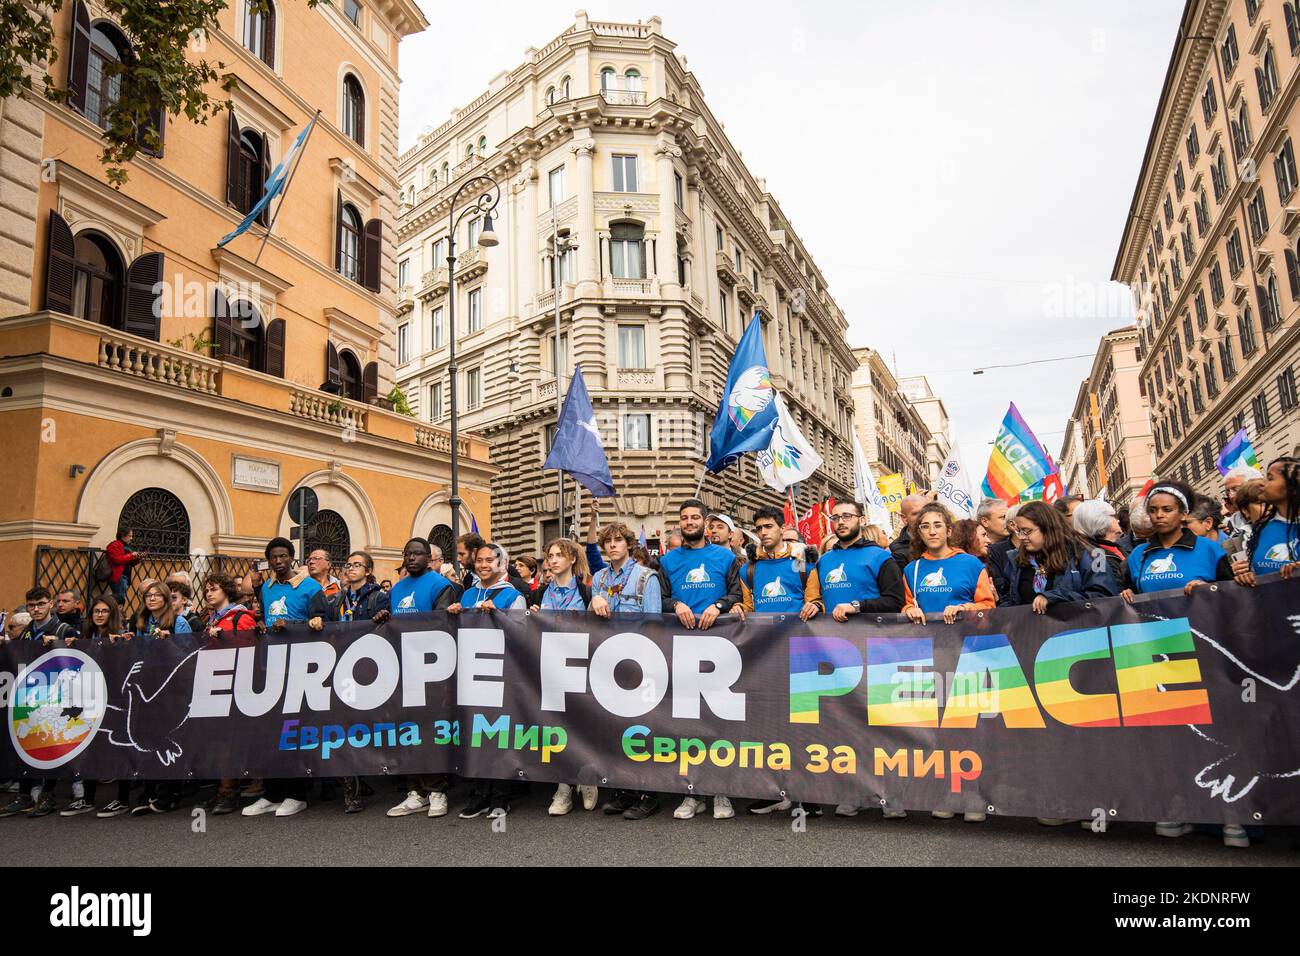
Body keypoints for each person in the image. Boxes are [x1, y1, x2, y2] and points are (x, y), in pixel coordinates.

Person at [901, 504, 996, 824]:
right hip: (930, 655)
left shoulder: (970, 564)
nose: (931, 530)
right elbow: (907, 606)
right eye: (925, 525)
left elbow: (989, 607)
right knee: (939, 728)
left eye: (937, 524)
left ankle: (975, 794)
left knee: (970, 725)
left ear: (948, 529)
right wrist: (907, 611)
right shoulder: (912, 569)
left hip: (969, 652)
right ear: (918, 532)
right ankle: (948, 792)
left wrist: (966, 607)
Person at [658, 499, 742, 821]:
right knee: (686, 723)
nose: (690, 522)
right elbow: (660, 598)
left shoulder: (726, 557)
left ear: (706, 524)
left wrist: (718, 606)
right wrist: (675, 605)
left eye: (695, 517)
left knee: (719, 721)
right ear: (679, 523)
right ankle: (690, 793)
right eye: (684, 518)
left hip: (721, 647)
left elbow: (737, 594)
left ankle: (721, 792)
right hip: (680, 647)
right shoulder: (667, 561)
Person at [587, 521, 665, 820]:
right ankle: (624, 788)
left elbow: (655, 625)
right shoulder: (599, 578)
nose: (612, 545)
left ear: (629, 544)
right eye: (608, 541)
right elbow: (591, 620)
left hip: (640, 661)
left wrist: (649, 669)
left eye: (618, 540)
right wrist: (594, 599)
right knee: (616, 727)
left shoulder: (647, 578)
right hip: (609, 659)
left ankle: (649, 792)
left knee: (644, 728)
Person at [243, 538, 322, 820]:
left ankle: (297, 794)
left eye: (283, 556)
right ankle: (272, 793)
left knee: (294, 732)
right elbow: (263, 618)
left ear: (292, 558)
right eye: (274, 557)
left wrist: (293, 626)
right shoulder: (266, 587)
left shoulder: (311, 587)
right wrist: (264, 624)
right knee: (271, 733)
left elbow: (324, 625)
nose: (278, 561)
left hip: (301, 668)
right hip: (273, 666)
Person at [448, 544, 526, 820]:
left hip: (501, 674)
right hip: (471, 674)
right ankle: (479, 795)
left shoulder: (512, 596)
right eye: (479, 560)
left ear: (502, 563)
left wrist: (500, 616)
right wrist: (455, 614)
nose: (483, 565)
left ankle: (500, 798)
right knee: (476, 737)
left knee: (499, 736)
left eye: (489, 560)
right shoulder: (468, 593)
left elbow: (522, 634)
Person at [536, 538, 597, 817]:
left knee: (582, 724)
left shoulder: (586, 592)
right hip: (551, 667)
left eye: (560, 555)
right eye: (550, 555)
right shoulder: (540, 595)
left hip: (581, 665)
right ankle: (563, 785)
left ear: (572, 559)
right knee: (556, 725)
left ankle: (586, 777)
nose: (553, 560)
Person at [190, 574, 258, 817]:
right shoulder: (211, 618)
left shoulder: (241, 616)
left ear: (226, 591)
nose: (209, 593)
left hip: (236, 684)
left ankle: (230, 791)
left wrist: (223, 638)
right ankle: (223, 788)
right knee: (217, 740)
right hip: (214, 681)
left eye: (214, 589)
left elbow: (249, 646)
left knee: (229, 741)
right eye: (207, 590)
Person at [1121, 482, 1233, 603]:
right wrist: (1128, 594)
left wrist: (1207, 588)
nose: (1159, 515)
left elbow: (1230, 594)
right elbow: (1132, 596)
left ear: (1184, 514)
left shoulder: (1209, 549)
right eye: (1152, 510)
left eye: (1167, 509)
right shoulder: (1138, 554)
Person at [1002, 501, 1116, 613]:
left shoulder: (1094, 554)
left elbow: (1104, 596)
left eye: (1027, 531)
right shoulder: (1015, 559)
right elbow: (1009, 599)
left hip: (1077, 629)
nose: (1021, 537)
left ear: (1047, 528)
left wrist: (1055, 597)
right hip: (1031, 630)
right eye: (1019, 531)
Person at [1232, 457, 1300, 586]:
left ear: (1292, 487)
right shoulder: (1261, 530)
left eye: (1270, 478)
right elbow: (1260, 573)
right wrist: (1248, 576)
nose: (1262, 483)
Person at [1072, 499, 1127, 584]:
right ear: (1099, 520)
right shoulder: (1096, 555)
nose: (1118, 520)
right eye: (1113, 516)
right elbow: (1103, 587)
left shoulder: (1116, 547)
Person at [1223, 463, 1266, 537]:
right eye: (1228, 492)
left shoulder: (1281, 513)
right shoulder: (1232, 523)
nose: (1231, 495)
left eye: (1236, 489)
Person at [889, 494, 930, 572]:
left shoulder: (944, 540)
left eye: (926, 511)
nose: (923, 517)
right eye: (916, 513)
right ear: (904, 518)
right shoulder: (896, 549)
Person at [105, 526, 145, 604]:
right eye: (130, 536)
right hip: (118, 576)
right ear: (123, 536)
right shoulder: (115, 545)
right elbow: (117, 559)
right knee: (119, 600)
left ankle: (118, 614)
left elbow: (129, 563)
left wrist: (138, 559)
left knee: (120, 599)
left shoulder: (127, 546)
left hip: (125, 577)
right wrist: (131, 555)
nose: (131, 538)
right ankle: (117, 615)